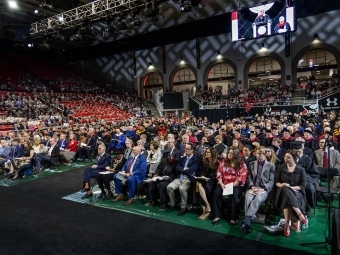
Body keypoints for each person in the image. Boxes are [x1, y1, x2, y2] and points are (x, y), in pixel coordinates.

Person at [241, 147, 275, 234]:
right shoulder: (252, 164)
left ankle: (246, 220)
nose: (259, 156)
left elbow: (271, 181)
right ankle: (248, 221)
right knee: (248, 198)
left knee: (258, 199)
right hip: (253, 188)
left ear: (265, 155)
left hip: (263, 189)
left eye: (261, 154)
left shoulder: (271, 166)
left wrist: (263, 188)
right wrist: (252, 186)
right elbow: (249, 177)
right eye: (258, 154)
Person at [275, 151, 308, 237]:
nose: (286, 159)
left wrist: (290, 188)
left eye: (288, 157)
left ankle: (286, 224)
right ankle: (299, 213)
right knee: (285, 190)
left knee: (287, 194)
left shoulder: (301, 169)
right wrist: (282, 185)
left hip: (297, 192)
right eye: (285, 157)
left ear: (294, 158)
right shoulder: (281, 168)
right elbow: (277, 182)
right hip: (282, 191)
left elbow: (302, 186)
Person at [212, 148, 248, 226]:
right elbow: (219, 172)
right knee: (216, 193)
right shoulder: (224, 161)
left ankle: (234, 218)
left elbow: (241, 178)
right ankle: (217, 215)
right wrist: (221, 184)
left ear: (236, 155)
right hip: (223, 183)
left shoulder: (241, 164)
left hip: (236, 184)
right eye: (229, 153)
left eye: (232, 153)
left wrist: (231, 186)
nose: (229, 154)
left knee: (234, 196)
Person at [167, 142, 199, 216]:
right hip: (180, 178)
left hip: (188, 179)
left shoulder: (195, 160)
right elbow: (177, 168)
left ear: (192, 150)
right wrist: (185, 169)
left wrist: (183, 170)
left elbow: (191, 171)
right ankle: (173, 204)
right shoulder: (183, 159)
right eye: (185, 148)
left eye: (188, 149)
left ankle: (183, 207)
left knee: (182, 188)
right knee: (169, 187)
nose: (185, 150)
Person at [292, 141, 319, 212]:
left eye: (299, 151)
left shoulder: (308, 159)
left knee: (309, 188)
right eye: (295, 152)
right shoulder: (290, 158)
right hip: (291, 180)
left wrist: (305, 179)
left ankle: (307, 207)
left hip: (305, 180)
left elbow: (314, 173)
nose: (297, 153)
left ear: (302, 150)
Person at [196, 147, 219, 220]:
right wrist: (202, 176)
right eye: (206, 152)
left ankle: (207, 211)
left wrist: (208, 179)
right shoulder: (205, 161)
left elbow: (216, 175)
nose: (206, 153)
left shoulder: (217, 163)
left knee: (206, 187)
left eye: (208, 152)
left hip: (213, 181)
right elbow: (202, 171)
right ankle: (206, 208)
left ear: (212, 154)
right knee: (198, 184)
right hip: (205, 180)